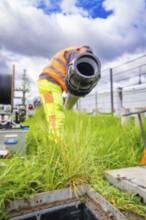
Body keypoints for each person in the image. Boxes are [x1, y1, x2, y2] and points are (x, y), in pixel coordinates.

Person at [37, 46, 93, 142]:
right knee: (56, 115)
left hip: (49, 83)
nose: (86, 55)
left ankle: (53, 142)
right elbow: (74, 67)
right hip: (50, 83)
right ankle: (57, 145)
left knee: (53, 114)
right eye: (86, 52)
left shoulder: (69, 52)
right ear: (81, 49)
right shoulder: (75, 53)